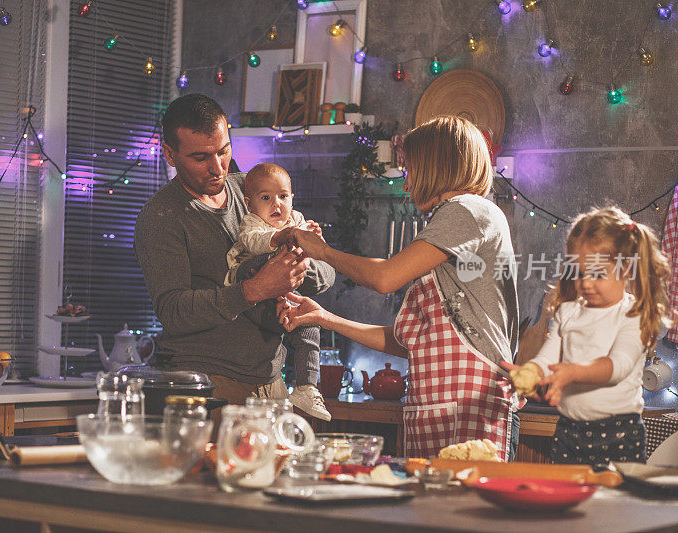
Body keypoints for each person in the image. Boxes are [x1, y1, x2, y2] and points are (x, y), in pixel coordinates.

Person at [279, 115, 519, 461]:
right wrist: (324, 317)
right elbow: (412, 343)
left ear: (434, 166)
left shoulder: (465, 210)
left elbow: (385, 278)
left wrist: (324, 252)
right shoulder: (456, 222)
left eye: (410, 169)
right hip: (443, 409)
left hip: (471, 408)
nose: (407, 184)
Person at [134, 93, 335, 414]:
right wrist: (254, 290)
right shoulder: (162, 216)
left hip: (271, 382)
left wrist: (300, 260)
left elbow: (325, 278)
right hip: (205, 383)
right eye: (200, 158)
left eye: (223, 151)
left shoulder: (256, 189)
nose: (217, 168)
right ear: (170, 155)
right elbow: (172, 310)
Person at [503, 207, 670, 465]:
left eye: (598, 274)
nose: (586, 282)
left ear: (626, 269)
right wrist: (530, 372)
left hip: (619, 433)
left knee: (614, 504)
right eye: (579, 272)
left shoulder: (633, 315)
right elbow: (548, 355)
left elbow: (617, 366)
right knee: (570, 499)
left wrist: (571, 372)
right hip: (569, 430)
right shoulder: (568, 311)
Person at [224, 162, 330, 421]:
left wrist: (315, 239)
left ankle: (307, 387)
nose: (276, 204)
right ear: (250, 204)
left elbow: (323, 265)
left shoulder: (297, 221)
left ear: (292, 199)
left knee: (310, 324)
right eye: (266, 198)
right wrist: (283, 237)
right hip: (252, 290)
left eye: (283, 197)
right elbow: (255, 242)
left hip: (285, 295)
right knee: (265, 262)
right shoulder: (251, 222)